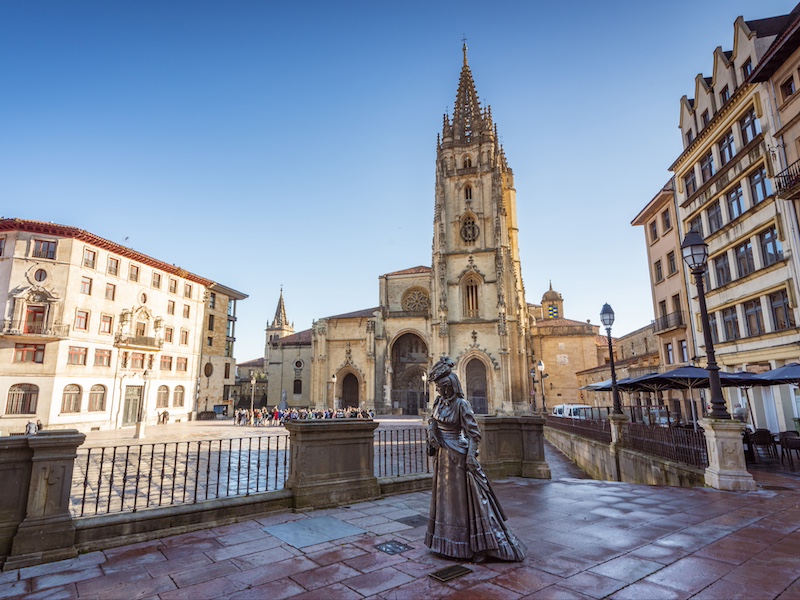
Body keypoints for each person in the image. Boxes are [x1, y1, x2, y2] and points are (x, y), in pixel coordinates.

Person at [425, 356, 526, 563]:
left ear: (452, 385)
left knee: (467, 502)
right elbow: (432, 419)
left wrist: (471, 456)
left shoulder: (462, 405)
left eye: (443, 386)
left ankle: (479, 545)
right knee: (447, 502)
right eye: (438, 387)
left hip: (459, 458)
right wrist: (432, 429)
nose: (440, 391)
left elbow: (474, 434)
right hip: (443, 458)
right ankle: (447, 542)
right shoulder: (438, 403)